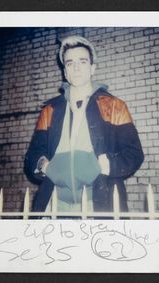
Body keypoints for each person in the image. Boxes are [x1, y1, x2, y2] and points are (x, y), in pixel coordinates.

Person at [24, 35, 144, 215]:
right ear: (65, 71)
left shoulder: (113, 106)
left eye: (82, 61)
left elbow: (134, 153)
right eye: (70, 63)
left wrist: (107, 165)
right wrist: (44, 166)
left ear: (92, 68)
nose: (76, 67)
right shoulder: (49, 109)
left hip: (98, 202)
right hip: (55, 203)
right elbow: (33, 155)